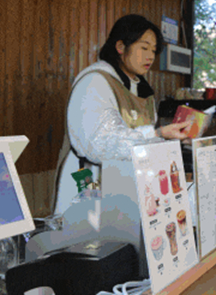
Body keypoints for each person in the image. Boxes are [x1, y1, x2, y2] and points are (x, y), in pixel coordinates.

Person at [52, 14, 192, 214]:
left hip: (129, 191)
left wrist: (170, 139)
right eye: (144, 48)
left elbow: (142, 140)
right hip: (91, 188)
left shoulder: (140, 88)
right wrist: (157, 134)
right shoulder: (95, 83)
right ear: (120, 46)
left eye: (153, 50)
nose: (150, 56)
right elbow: (101, 144)